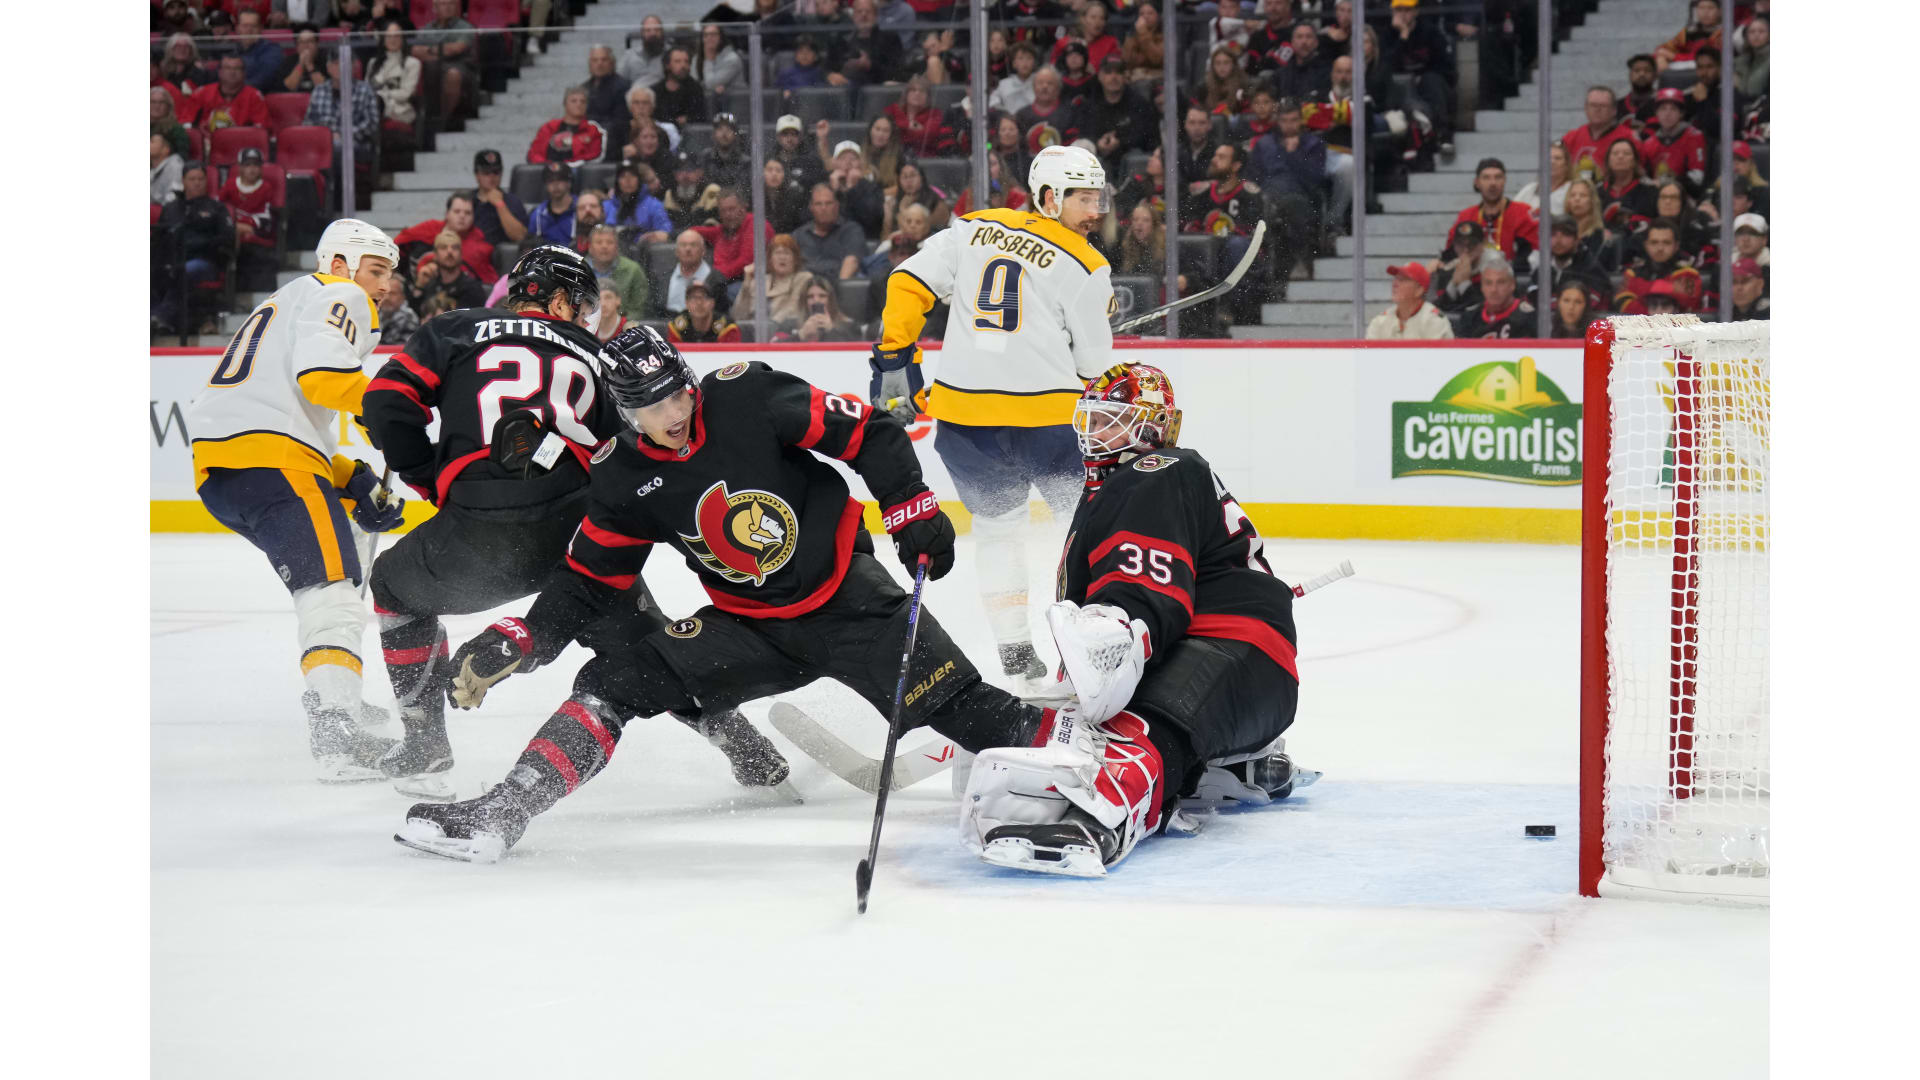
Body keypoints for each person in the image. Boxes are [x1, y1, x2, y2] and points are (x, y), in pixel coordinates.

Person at [395, 329, 1041, 863]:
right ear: (627, 412)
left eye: (677, 393)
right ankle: (504, 810)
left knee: (969, 711)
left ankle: (1084, 752)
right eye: (652, 406)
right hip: (749, 629)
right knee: (610, 682)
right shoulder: (623, 475)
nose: (673, 413)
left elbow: (868, 432)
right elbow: (590, 579)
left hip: (852, 602)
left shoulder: (747, 394)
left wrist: (910, 505)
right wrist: (528, 635)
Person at [363, 250, 789, 805]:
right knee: (650, 647)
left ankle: (423, 745)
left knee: (393, 587)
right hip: (580, 538)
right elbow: (638, 458)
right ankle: (748, 748)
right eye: (583, 306)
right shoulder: (600, 356)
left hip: (478, 531)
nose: (586, 318)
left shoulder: (454, 327)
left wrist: (430, 478)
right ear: (559, 299)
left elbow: (385, 404)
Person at [962, 361, 1306, 877]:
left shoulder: (1158, 469)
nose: (1093, 432)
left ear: (1153, 425)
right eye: (1091, 419)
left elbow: (1142, 594)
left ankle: (1103, 816)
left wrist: (1115, 636)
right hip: (1236, 663)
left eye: (1110, 420)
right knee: (1098, 722)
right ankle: (1227, 765)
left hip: (1236, 648)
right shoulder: (1116, 489)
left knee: (1130, 730)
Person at [872, 144, 1116, 692]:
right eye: (1083, 198)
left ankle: (1013, 647)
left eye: (1098, 198)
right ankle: (1088, 648)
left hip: (966, 425)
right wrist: (1095, 324)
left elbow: (906, 283)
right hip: (1049, 427)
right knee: (1083, 531)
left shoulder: (973, 228)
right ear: (1049, 198)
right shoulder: (1087, 265)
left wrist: (894, 353)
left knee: (998, 532)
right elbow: (1094, 367)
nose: (1094, 211)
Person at [185, 220, 405, 782]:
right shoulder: (341, 293)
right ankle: (335, 727)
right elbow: (323, 378)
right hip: (274, 463)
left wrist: (347, 476)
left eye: (389, 274)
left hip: (226, 473)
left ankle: (339, 698)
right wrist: (387, 407)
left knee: (343, 559)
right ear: (339, 264)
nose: (384, 285)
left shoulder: (289, 301)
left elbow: (281, 408)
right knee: (333, 594)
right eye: (375, 269)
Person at [151, 164, 235, 335]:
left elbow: (227, 239)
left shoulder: (216, 208)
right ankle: (155, 318)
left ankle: (160, 316)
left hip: (205, 262)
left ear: (206, 181)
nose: (197, 183)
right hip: (172, 259)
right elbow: (159, 239)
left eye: (200, 179)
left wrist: (200, 244)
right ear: (183, 181)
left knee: (184, 270)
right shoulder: (171, 208)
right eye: (192, 179)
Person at [395, 191, 499, 284]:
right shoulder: (429, 228)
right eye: (457, 211)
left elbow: (488, 283)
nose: (462, 216)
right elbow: (395, 246)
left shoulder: (479, 246)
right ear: (447, 214)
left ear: (473, 217)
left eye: (468, 213)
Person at [1448, 158, 1538, 267]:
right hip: (1474, 274)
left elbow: (1533, 254)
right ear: (1477, 183)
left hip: (1512, 274)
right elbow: (1450, 252)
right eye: (1486, 178)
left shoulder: (1523, 213)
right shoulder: (1466, 216)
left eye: (1498, 177)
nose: (1493, 183)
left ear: (1504, 181)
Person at [219, 147, 278, 289]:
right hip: (233, 227)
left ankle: (231, 267)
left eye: (256, 165)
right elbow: (220, 208)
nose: (252, 169)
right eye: (247, 165)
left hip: (256, 229)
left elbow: (266, 219)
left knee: (233, 231)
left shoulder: (266, 187)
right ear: (240, 167)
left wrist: (243, 223)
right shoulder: (230, 185)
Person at [1615, 218, 1702, 314]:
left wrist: (1646, 302)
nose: (1660, 248)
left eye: (1666, 243)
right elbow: (1622, 305)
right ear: (1646, 245)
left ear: (1676, 246)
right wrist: (1668, 290)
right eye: (1654, 242)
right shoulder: (1632, 273)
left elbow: (1687, 305)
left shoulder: (1688, 273)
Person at [414, 0, 478, 124]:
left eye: (451, 3)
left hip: (460, 64)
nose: (448, 7)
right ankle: (429, 117)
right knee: (425, 67)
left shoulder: (465, 27)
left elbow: (456, 48)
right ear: (435, 7)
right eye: (443, 4)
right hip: (432, 65)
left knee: (453, 74)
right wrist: (439, 52)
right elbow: (415, 50)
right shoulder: (427, 28)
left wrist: (429, 50)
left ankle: (444, 119)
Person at [734, 234, 816, 327]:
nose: (782, 257)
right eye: (778, 253)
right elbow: (738, 316)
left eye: (787, 253)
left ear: (795, 259)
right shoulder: (759, 281)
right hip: (752, 330)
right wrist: (746, 283)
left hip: (784, 330)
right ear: (770, 259)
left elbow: (793, 310)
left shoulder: (803, 278)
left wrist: (769, 327)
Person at [691, 190, 772, 283]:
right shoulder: (723, 229)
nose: (727, 214)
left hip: (747, 281)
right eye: (723, 210)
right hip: (720, 280)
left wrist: (714, 277)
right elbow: (696, 231)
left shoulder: (756, 225)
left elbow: (746, 261)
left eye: (732, 209)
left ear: (743, 208)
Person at [1563, 86, 1639, 185]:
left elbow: (1639, 174)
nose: (1597, 109)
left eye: (1603, 106)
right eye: (1593, 105)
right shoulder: (1571, 137)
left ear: (1614, 110)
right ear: (1586, 108)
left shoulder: (1629, 138)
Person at [1640, 88, 1707, 197]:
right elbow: (1641, 176)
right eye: (1663, 109)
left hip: (1686, 197)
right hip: (1656, 196)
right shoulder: (1648, 143)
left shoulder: (1694, 137)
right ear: (1656, 113)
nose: (1667, 114)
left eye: (1673, 109)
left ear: (1681, 113)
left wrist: (1666, 182)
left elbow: (1697, 179)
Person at [796, 182, 869, 280]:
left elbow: (852, 261)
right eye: (818, 204)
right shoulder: (799, 235)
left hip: (839, 284)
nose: (823, 208)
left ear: (837, 205)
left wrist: (840, 287)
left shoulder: (851, 231)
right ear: (811, 208)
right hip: (805, 286)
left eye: (828, 203)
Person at [408, 228, 489, 314]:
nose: (450, 251)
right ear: (435, 255)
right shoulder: (431, 285)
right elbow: (416, 314)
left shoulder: (472, 288)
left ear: (461, 254)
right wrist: (420, 284)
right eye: (443, 247)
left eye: (455, 248)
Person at [1366, 262, 1454, 339]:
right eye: (1396, 278)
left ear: (1419, 290)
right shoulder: (1380, 322)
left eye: (1403, 279)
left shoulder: (1434, 321)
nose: (1395, 284)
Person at [1458, 254, 1534, 338]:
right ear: (1482, 287)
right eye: (1488, 283)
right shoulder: (1470, 318)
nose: (1494, 289)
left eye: (1501, 282)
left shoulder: (1528, 317)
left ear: (1512, 284)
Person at [527, 87, 607, 167]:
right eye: (573, 101)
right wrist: (550, 166)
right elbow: (534, 153)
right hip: (547, 170)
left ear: (587, 106)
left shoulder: (592, 131)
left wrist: (568, 165)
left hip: (578, 171)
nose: (579, 104)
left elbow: (595, 156)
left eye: (583, 101)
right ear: (565, 104)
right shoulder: (549, 127)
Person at [584, 224, 650, 320]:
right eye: (599, 242)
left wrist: (618, 324)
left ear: (617, 247)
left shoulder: (633, 270)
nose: (604, 246)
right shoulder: (578, 269)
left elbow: (638, 310)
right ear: (590, 247)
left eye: (610, 242)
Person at [190, 55, 270, 133]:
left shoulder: (254, 96)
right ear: (220, 72)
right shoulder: (202, 93)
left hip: (241, 140)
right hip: (206, 139)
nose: (232, 72)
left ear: (244, 73)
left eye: (237, 68)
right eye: (227, 68)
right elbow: (187, 124)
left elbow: (261, 130)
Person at [835, 0, 905, 87]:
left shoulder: (890, 39)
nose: (864, 15)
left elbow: (896, 71)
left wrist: (870, 65)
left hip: (878, 87)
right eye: (859, 11)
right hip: (846, 86)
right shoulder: (843, 40)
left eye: (868, 11)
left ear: (876, 15)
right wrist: (832, 74)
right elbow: (832, 66)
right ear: (853, 16)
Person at [825, 141, 887, 239]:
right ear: (834, 163)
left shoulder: (872, 187)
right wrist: (833, 191)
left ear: (860, 163)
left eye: (853, 159)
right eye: (842, 158)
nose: (848, 163)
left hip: (863, 238)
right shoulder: (824, 187)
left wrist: (852, 189)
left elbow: (873, 219)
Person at [885, 77, 958, 159]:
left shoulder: (934, 113)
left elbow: (929, 136)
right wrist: (909, 125)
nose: (917, 93)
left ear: (928, 97)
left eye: (922, 91)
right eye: (913, 90)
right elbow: (886, 131)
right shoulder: (894, 110)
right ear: (906, 94)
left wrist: (902, 130)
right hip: (893, 157)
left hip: (924, 159)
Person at [367, 21, 421, 130]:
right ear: (383, 39)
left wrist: (382, 94)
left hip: (399, 111)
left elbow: (406, 94)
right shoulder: (373, 63)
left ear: (402, 39)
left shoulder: (412, 63)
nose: (393, 40)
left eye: (396, 36)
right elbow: (366, 91)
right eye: (389, 36)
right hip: (373, 109)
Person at [607, 85, 681, 166]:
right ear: (630, 107)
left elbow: (667, 157)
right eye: (636, 103)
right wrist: (622, 153)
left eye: (645, 103)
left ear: (653, 106)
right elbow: (609, 157)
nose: (641, 107)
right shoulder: (617, 130)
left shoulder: (662, 131)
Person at [1429, 219, 1488, 318]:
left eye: (1472, 244)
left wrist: (1464, 283)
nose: (1466, 250)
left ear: (1482, 244)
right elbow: (1438, 308)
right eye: (1460, 244)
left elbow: (1480, 309)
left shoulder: (1492, 270)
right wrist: (1453, 283)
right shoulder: (1448, 270)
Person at [1598, 137, 1657, 235]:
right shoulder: (1597, 192)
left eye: (1626, 153)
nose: (1620, 156)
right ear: (1608, 160)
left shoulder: (1649, 191)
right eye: (1615, 153)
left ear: (1634, 161)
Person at [470, 150, 530, 246]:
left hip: (502, 253)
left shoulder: (513, 201)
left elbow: (520, 237)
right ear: (477, 175)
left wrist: (500, 204)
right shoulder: (467, 201)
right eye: (486, 172)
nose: (492, 176)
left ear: (501, 174)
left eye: (496, 172)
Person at [605, 162, 673, 245]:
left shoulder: (654, 206)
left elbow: (665, 232)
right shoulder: (606, 206)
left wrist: (655, 235)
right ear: (617, 182)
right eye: (623, 176)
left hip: (644, 250)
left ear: (639, 180)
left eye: (632, 176)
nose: (628, 180)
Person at [1015, 67, 1080, 153]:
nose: (1045, 86)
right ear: (1034, 87)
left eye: (1050, 83)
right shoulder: (1021, 115)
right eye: (1040, 83)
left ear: (1058, 88)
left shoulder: (1070, 113)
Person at [663, 229, 724, 316]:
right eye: (683, 245)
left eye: (693, 245)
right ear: (676, 252)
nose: (688, 249)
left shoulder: (717, 279)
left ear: (703, 251)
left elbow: (720, 314)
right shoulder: (663, 277)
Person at [781, 277, 861, 342]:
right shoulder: (788, 325)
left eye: (822, 296)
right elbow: (775, 349)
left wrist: (832, 331)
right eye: (810, 296)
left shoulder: (849, 326)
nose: (816, 300)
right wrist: (800, 335)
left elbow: (855, 353)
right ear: (804, 301)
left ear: (831, 300)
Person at [1654, 0, 1722, 73]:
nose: (1705, 12)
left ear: (1719, 11)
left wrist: (1674, 56)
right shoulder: (1689, 31)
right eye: (1701, 8)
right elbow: (1664, 49)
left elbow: (1709, 58)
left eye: (1710, 8)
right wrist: (1660, 57)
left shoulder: (1723, 34)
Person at [666, 279, 742, 342]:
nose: (699, 303)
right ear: (686, 303)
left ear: (712, 303)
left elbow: (731, 354)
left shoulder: (726, 327)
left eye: (704, 297)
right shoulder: (677, 327)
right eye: (693, 297)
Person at [651, 46, 709, 128]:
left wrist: (688, 119)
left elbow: (701, 117)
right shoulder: (656, 91)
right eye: (677, 61)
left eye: (686, 61)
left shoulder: (695, 89)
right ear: (667, 65)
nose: (683, 65)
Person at [526, 162, 579, 247]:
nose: (555, 184)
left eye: (560, 179)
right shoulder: (538, 214)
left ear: (569, 183)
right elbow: (530, 245)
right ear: (546, 185)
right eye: (551, 181)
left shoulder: (582, 208)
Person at [232, 9, 286, 92]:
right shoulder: (233, 51)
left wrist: (233, 88)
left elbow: (263, 80)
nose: (249, 30)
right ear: (238, 29)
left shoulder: (272, 51)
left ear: (261, 28)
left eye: (253, 26)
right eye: (245, 26)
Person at [773, 114, 828, 195]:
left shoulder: (811, 162)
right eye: (785, 134)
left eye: (794, 134)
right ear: (778, 137)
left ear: (800, 137)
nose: (789, 139)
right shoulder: (770, 162)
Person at [583, 45, 632, 132]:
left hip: (610, 134)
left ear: (612, 63)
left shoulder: (623, 87)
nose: (599, 63)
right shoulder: (584, 88)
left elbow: (621, 120)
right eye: (595, 60)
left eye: (604, 60)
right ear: (590, 64)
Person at [701, 113, 751, 195]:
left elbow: (744, 190)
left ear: (735, 134)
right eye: (720, 129)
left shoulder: (745, 162)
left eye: (729, 129)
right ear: (714, 134)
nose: (724, 134)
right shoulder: (705, 158)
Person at [1514, 143, 1570, 216]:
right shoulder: (1530, 189)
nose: (1552, 162)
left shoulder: (1571, 189)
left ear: (1566, 165)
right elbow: (1512, 213)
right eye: (1548, 158)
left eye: (1557, 158)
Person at [762, 157, 810, 235]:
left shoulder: (795, 198)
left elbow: (801, 225)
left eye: (778, 170)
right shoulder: (755, 197)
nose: (774, 174)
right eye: (769, 170)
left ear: (784, 175)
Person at [991, 39, 1040, 115]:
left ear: (1034, 62)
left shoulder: (1041, 82)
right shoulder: (1004, 84)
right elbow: (993, 103)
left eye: (1029, 58)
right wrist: (1004, 115)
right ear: (1014, 63)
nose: (1025, 62)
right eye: (1021, 58)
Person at [618, 14, 668, 88]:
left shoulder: (670, 56)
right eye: (648, 30)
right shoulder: (629, 56)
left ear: (662, 32)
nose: (653, 34)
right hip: (635, 94)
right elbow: (619, 82)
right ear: (642, 33)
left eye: (657, 30)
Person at [1619, 53, 1659, 130]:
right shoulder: (1617, 106)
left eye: (1647, 70)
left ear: (1655, 75)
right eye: (1637, 70)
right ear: (1630, 75)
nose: (1642, 74)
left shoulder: (1663, 103)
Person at [151, 132, 185, 206]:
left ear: (165, 149)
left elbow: (175, 194)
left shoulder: (175, 164)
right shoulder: (152, 171)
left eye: (152, 141)